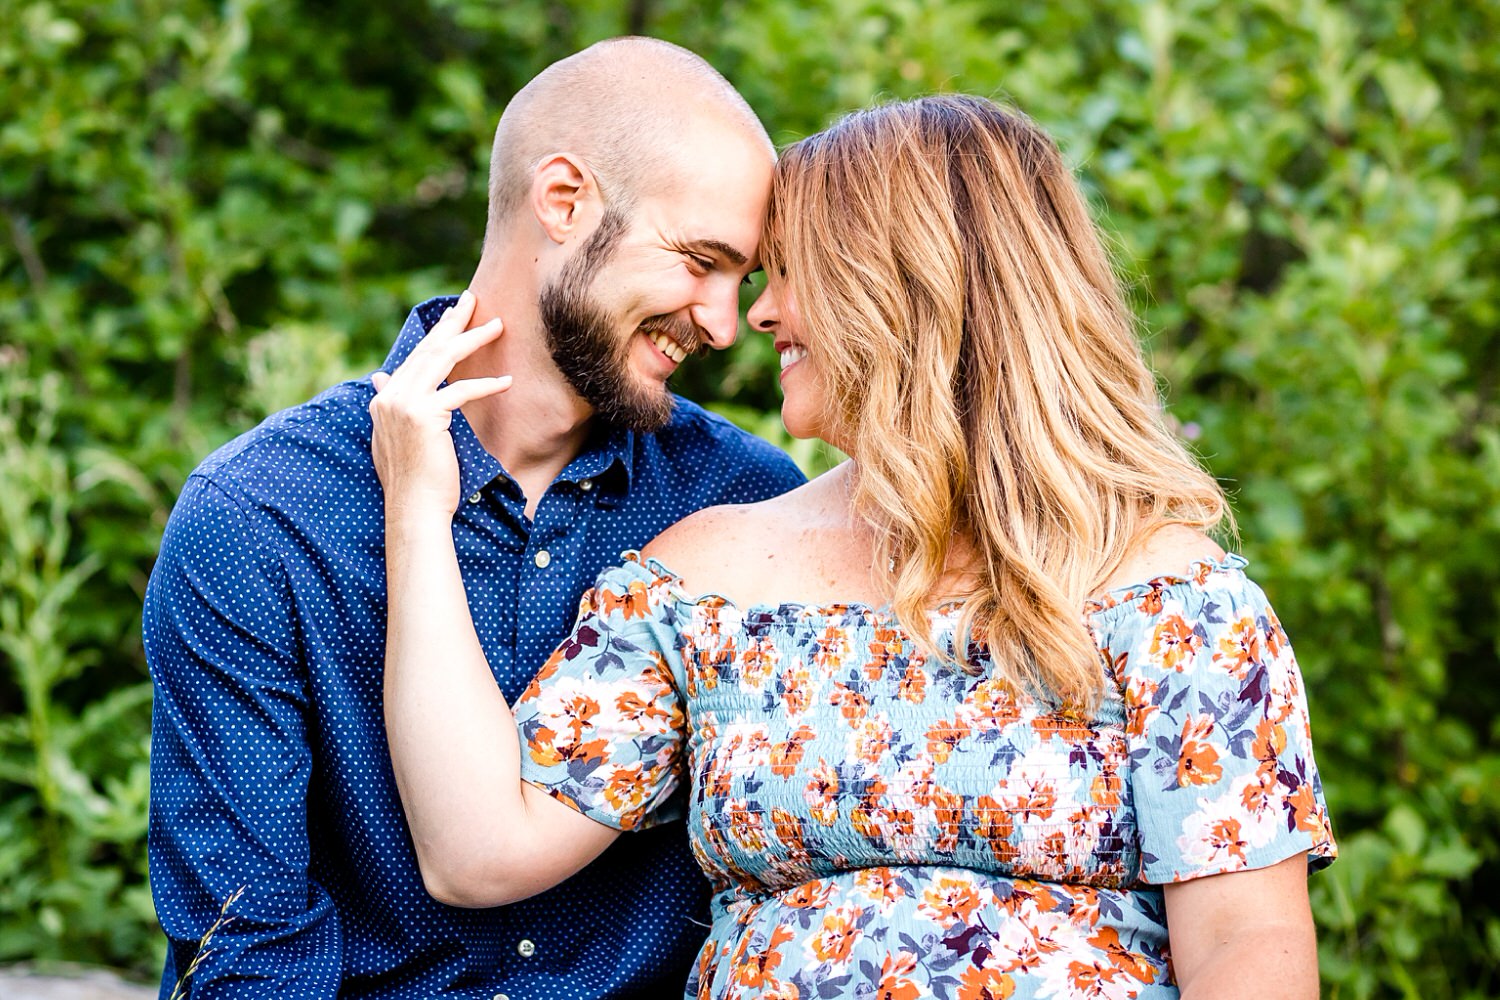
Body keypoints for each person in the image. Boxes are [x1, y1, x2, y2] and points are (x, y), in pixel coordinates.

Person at [374, 94, 1337, 999]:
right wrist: (420, 508)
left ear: (904, 291)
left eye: (789, 273)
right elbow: (477, 851)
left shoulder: (1175, 600)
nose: (754, 314)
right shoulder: (704, 580)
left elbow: (1247, 946)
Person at [145, 37, 805, 998]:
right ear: (565, 200)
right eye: (701, 261)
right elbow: (249, 947)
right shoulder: (261, 518)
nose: (720, 320)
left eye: (741, 280)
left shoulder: (743, 504)